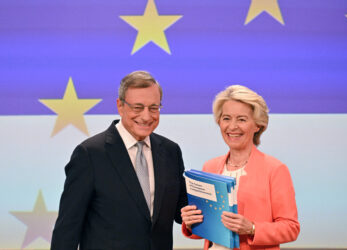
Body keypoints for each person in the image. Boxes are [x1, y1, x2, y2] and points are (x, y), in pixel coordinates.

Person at [51, 70, 188, 250]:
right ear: (120, 106)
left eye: (154, 108)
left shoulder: (171, 151)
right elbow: (67, 229)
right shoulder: (89, 154)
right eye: (137, 107)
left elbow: (182, 211)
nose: (146, 116)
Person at [181, 85, 300, 250]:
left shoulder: (275, 169)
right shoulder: (210, 166)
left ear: (257, 125)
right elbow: (204, 230)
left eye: (242, 119)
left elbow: (291, 228)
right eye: (226, 118)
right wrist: (190, 221)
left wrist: (252, 228)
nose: (232, 126)